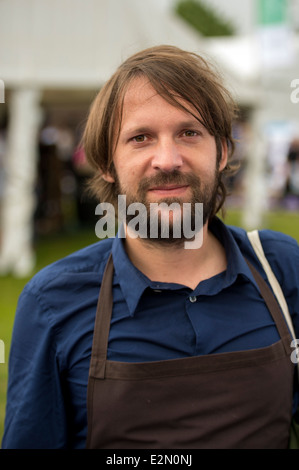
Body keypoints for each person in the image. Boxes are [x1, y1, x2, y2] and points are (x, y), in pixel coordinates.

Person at [2, 45, 299, 449]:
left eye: (189, 133)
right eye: (141, 138)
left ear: (223, 151)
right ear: (106, 163)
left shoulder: (281, 269)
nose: (168, 159)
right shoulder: (53, 301)